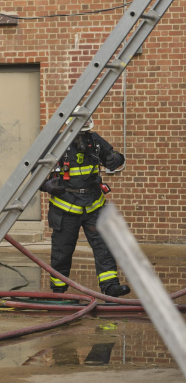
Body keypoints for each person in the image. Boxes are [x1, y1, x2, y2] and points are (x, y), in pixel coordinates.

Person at [40, 114, 130, 297]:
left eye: (85, 133)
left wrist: (118, 159)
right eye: (79, 134)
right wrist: (46, 185)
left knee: (104, 245)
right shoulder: (55, 144)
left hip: (93, 205)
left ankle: (110, 286)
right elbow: (35, 171)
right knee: (62, 250)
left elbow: (112, 156)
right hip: (65, 208)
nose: (83, 139)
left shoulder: (95, 141)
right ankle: (59, 290)